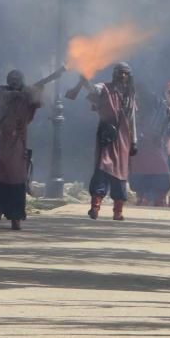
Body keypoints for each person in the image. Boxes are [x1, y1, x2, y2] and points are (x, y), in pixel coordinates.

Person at [71, 63, 137, 221]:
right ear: (115, 74)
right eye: (120, 73)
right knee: (103, 168)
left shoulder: (130, 96)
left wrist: (134, 141)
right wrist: (85, 81)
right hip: (107, 135)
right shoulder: (104, 88)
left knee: (120, 174)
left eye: (125, 73)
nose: (122, 76)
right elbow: (94, 90)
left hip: (123, 138)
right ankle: (95, 207)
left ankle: (118, 211)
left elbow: (132, 120)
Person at [0, 70, 43, 230]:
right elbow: (1, 102)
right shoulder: (2, 90)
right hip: (1, 139)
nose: (14, 81)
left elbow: (36, 102)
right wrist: (20, 93)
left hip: (18, 141)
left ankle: (15, 217)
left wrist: (37, 90)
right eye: (12, 79)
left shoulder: (26, 93)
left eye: (17, 79)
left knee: (16, 179)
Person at [129, 115, 170, 207]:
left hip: (148, 162)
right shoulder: (141, 129)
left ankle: (148, 199)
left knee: (157, 183)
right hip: (147, 162)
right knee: (155, 183)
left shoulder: (152, 125)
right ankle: (145, 199)